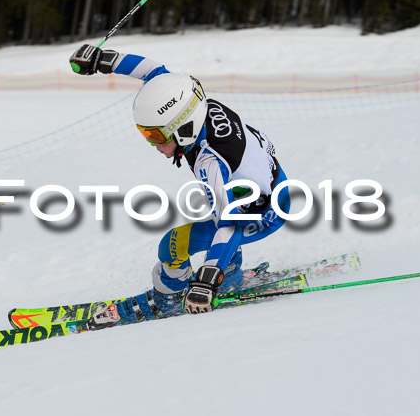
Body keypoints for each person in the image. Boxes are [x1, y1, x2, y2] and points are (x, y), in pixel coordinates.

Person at [69, 45, 290, 324]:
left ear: (184, 129)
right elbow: (154, 73)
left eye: (155, 136)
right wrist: (104, 60)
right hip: (275, 189)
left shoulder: (211, 162)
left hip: (263, 215)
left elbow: (230, 224)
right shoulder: (194, 102)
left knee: (172, 246)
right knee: (216, 216)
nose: (152, 144)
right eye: (145, 134)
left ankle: (167, 299)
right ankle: (231, 277)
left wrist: (206, 281)